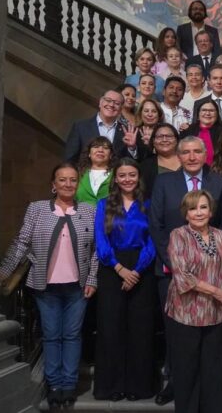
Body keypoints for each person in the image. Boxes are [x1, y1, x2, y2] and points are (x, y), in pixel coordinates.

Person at [0, 162, 98, 408]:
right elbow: (22, 242)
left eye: (73, 180)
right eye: (62, 179)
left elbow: (97, 250)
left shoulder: (88, 210)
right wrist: (3, 272)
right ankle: (54, 385)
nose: (68, 184)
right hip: (45, 286)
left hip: (78, 286)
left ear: (77, 184)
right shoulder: (37, 209)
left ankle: (69, 384)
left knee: (72, 335)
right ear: (53, 185)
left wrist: (93, 279)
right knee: (52, 336)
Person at [149, 137, 222, 406]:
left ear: (206, 154)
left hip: (212, 283)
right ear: (179, 155)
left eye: (197, 151)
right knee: (179, 343)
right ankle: (176, 386)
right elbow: (156, 225)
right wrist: (174, 263)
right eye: (186, 152)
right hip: (174, 273)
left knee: (211, 354)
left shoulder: (219, 182)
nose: (192, 156)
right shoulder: (164, 182)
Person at [165, 190, 222, 413]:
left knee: (213, 369)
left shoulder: (221, 236)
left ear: (211, 211)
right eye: (193, 208)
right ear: (186, 214)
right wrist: (216, 291)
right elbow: (182, 276)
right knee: (187, 369)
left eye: (203, 207)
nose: (198, 213)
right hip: (185, 313)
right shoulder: (179, 235)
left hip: (214, 313)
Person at [93, 158, 156, 401]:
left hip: (143, 268)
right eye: (122, 175)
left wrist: (137, 270)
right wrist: (120, 269)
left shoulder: (148, 204)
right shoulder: (103, 204)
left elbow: (153, 240)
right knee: (111, 328)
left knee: (140, 329)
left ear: (138, 177)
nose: (127, 179)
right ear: (115, 179)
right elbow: (101, 240)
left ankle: (138, 387)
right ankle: (111, 386)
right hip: (112, 269)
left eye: (132, 175)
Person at [64, 88, 141, 164]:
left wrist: (132, 148)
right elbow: (70, 160)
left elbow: (130, 164)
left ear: (121, 109)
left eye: (117, 103)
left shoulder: (127, 132)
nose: (111, 105)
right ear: (100, 102)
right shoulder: (80, 127)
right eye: (108, 100)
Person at [139, 123, 181, 198]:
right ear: (153, 142)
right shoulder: (146, 166)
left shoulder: (188, 159)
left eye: (169, 136)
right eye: (160, 137)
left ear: (177, 140)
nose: (164, 140)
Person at [76, 137, 114, 205]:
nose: (100, 150)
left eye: (105, 148)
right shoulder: (77, 173)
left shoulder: (117, 175)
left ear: (111, 155)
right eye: (96, 147)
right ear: (89, 153)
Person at [183, 99, 222, 165]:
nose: (207, 113)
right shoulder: (187, 131)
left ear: (217, 114)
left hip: (217, 172)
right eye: (204, 110)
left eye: (211, 111)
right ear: (198, 114)